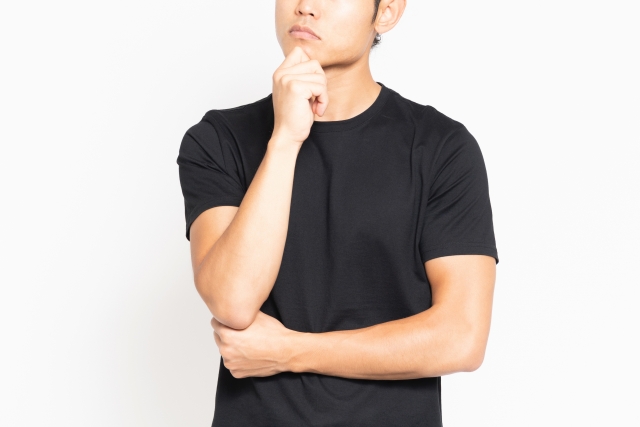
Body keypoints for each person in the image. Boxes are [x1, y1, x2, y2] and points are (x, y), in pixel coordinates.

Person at [176, 0, 498, 425]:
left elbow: (461, 338)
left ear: (386, 12)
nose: (306, 7)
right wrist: (285, 139)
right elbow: (232, 301)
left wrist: (289, 351)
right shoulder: (219, 140)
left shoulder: (441, 148)